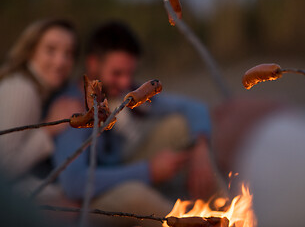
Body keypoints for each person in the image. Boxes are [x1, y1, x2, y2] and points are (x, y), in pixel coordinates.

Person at [53, 21, 220, 226]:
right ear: (93, 63)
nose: (125, 83)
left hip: (125, 165)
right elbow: (73, 183)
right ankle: (191, 222)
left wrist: (200, 148)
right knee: (136, 196)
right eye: (117, 73)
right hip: (90, 198)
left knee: (179, 125)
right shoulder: (73, 106)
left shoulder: (125, 95)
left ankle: (230, 212)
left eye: (130, 74)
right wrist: (149, 171)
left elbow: (194, 108)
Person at [0, 19, 79, 193]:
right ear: (30, 51)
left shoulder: (38, 89)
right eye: (51, 50)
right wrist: (51, 127)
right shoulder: (21, 89)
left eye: (69, 53)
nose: (60, 62)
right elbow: (4, 169)